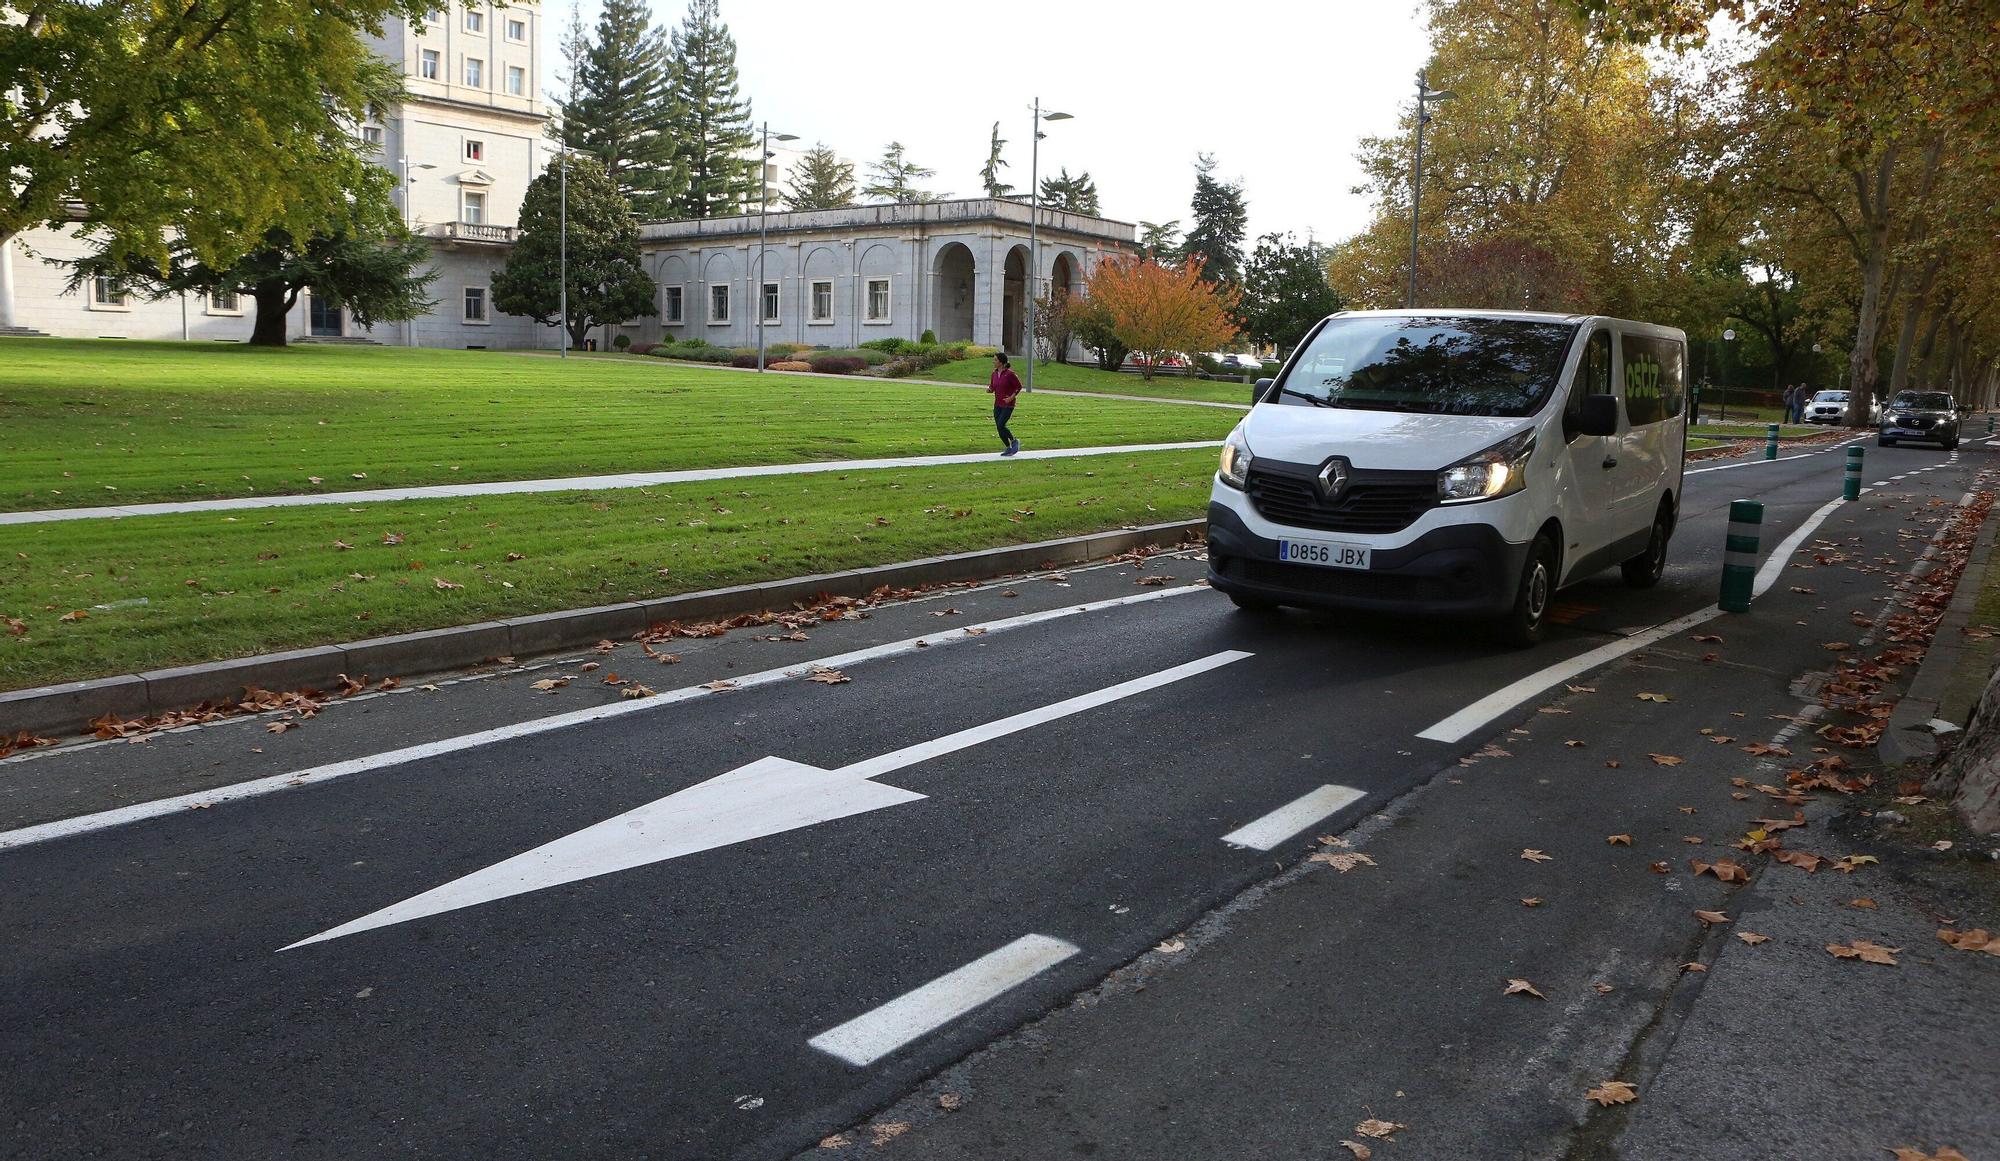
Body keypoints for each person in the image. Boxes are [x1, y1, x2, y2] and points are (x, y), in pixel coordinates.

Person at [988, 352, 1022, 457]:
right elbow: (993, 386)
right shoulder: (994, 374)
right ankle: (1008, 447)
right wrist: (990, 389)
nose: (993, 362)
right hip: (997, 404)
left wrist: (1011, 397)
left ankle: (1014, 440)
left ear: (1001, 362)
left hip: (1008, 404)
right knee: (999, 427)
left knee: (1001, 424)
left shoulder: (1010, 374)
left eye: (995, 360)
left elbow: (1019, 387)